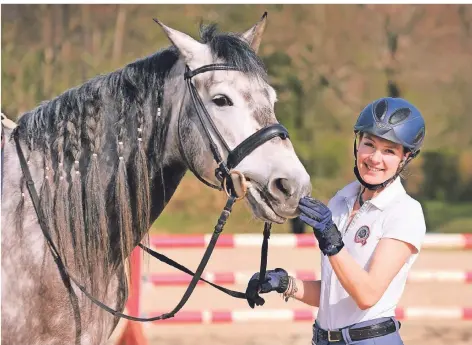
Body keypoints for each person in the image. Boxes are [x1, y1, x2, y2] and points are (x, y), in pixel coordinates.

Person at [246, 97, 427, 345]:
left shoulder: (405, 212)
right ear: (357, 144)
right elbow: (335, 294)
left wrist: (332, 240)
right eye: (369, 144)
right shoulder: (340, 202)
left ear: (405, 158)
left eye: (389, 151)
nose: (374, 158)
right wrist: (285, 283)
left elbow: (366, 294)